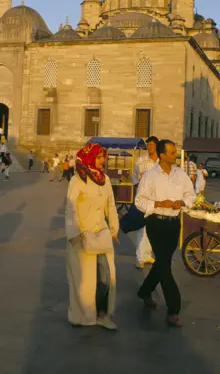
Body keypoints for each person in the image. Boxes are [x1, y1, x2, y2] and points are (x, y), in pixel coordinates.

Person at [135, 139, 196, 328]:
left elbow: (190, 194)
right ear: (162, 155)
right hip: (156, 223)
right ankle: (174, 309)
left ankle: (145, 291)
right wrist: (159, 204)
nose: (175, 155)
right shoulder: (150, 176)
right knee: (164, 265)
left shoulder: (181, 174)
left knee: (163, 263)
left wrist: (182, 203)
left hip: (173, 223)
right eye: (171, 152)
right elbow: (139, 201)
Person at [65, 143, 120, 330]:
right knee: (84, 280)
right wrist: (74, 233)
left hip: (101, 234)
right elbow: (70, 207)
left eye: (103, 157)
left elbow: (111, 205)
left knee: (106, 276)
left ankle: (103, 314)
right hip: (82, 235)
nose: (102, 161)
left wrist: (114, 229)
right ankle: (82, 315)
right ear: (89, 158)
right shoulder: (77, 180)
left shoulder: (105, 180)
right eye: (98, 157)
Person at [132, 136, 159, 270]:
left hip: (157, 200)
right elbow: (134, 178)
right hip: (143, 199)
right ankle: (139, 258)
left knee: (152, 228)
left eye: (152, 145)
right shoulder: (141, 161)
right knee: (141, 229)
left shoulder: (161, 162)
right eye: (148, 145)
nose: (149, 148)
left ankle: (147, 254)